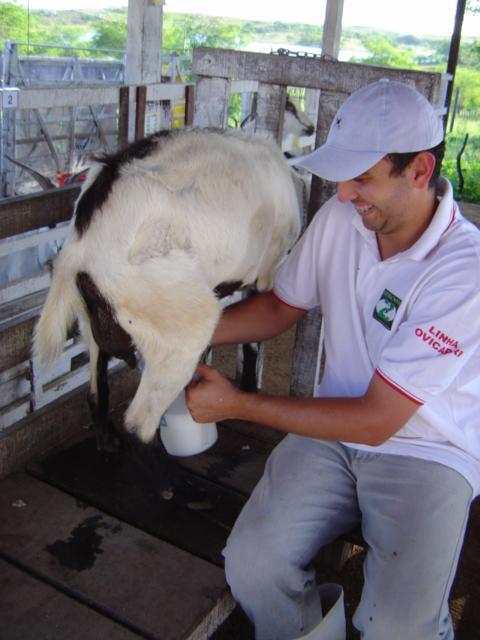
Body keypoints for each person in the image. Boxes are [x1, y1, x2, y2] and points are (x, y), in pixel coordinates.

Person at [185, 79, 480, 640]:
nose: (344, 194)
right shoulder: (344, 219)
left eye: (363, 177)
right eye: (343, 176)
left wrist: (237, 404)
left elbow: (376, 418)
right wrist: (186, 334)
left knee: (398, 626)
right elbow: (279, 307)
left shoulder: (465, 271)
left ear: (419, 170)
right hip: (334, 435)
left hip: (428, 450)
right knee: (252, 564)